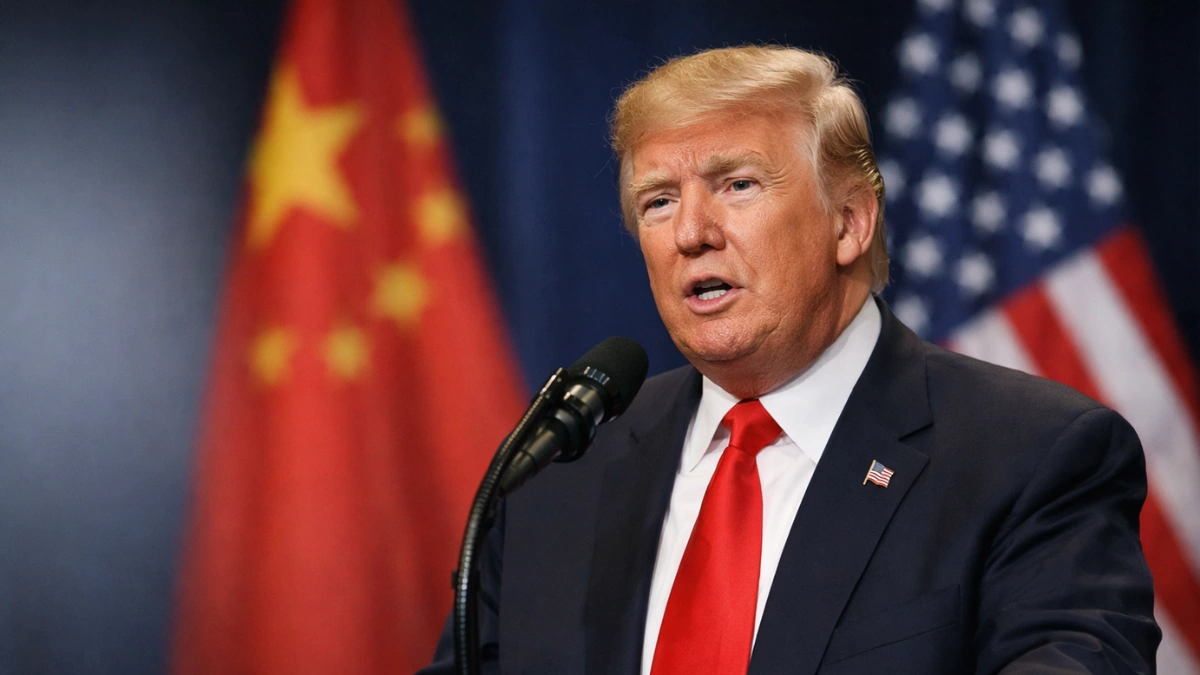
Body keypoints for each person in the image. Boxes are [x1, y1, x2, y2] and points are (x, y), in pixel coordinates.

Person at [420, 45, 1159, 674]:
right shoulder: (558, 468)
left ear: (848, 223)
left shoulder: (1030, 456)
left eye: (737, 185)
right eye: (658, 202)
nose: (691, 233)